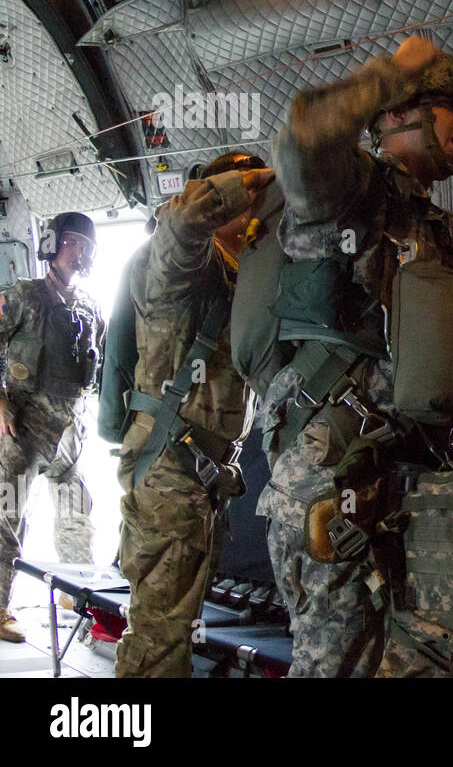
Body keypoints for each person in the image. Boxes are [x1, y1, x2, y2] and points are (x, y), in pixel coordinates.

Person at [257, 36, 453, 676]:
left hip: (403, 474)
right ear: (396, 114)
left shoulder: (434, 227)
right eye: (451, 104)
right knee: (340, 664)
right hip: (330, 477)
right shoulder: (347, 196)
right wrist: (391, 72)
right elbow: (302, 139)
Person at [114, 152, 274, 677]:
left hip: (205, 478)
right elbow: (181, 227)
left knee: (176, 627)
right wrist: (243, 183)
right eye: (242, 199)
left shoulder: (245, 275)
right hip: (167, 471)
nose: (254, 208)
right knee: (159, 636)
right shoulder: (180, 264)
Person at [0, 213, 104, 643]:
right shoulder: (23, 296)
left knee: (78, 514)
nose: (77, 253)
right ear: (51, 243)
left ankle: (77, 599)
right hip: (22, 427)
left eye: (85, 245)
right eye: (71, 243)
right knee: (6, 517)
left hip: (70, 435)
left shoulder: (92, 308)